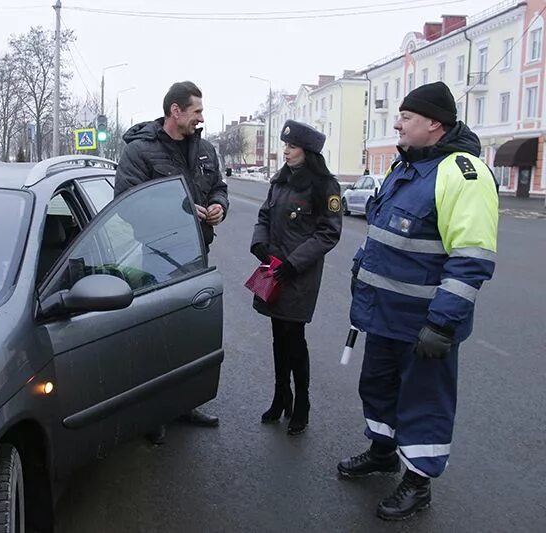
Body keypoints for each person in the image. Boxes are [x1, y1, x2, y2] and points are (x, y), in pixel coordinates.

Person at [338, 82, 498, 521]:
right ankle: (383, 452)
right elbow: (381, 234)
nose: (397, 124)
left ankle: (418, 481)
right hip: (384, 315)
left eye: (406, 117)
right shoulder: (405, 166)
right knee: (378, 388)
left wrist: (442, 323)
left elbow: (471, 259)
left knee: (424, 403)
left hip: (424, 323)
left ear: (434, 124)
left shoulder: (462, 173)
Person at [115, 80, 228, 444]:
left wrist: (219, 205)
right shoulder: (140, 151)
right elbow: (127, 202)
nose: (201, 118)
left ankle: (184, 404)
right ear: (175, 111)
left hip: (197, 255)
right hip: (158, 257)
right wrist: (180, 210)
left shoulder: (205, 149)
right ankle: (153, 414)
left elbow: (218, 186)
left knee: (189, 335)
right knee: (157, 337)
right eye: (197, 111)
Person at [250, 120, 342, 435]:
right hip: (274, 269)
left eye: (292, 146)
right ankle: (281, 396)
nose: (286, 151)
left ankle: (302, 402)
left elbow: (329, 232)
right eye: (285, 146)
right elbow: (264, 216)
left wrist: (294, 263)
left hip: (298, 273)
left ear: (308, 151)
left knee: (294, 337)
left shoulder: (324, 185)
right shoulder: (280, 181)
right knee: (278, 335)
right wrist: (259, 243)